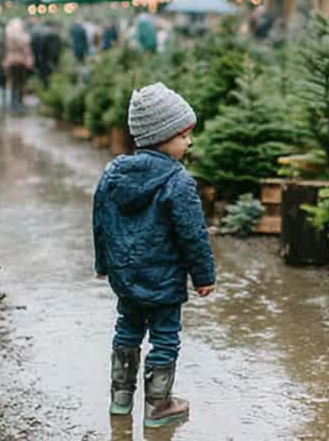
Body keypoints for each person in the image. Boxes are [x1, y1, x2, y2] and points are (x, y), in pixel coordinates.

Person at [92, 83, 215, 429]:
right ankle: (159, 404)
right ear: (163, 137)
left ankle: (120, 398)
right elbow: (192, 235)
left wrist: (103, 263)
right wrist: (203, 276)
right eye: (183, 135)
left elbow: (100, 222)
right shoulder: (179, 181)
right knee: (164, 336)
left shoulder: (113, 175)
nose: (189, 142)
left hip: (126, 278)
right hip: (164, 281)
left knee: (127, 328)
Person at [3, 18, 33, 111]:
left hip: (11, 61)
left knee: (13, 82)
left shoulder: (8, 37)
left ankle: (13, 102)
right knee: (21, 83)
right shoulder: (24, 37)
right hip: (21, 61)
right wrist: (29, 60)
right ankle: (19, 102)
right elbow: (27, 51)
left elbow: (6, 50)